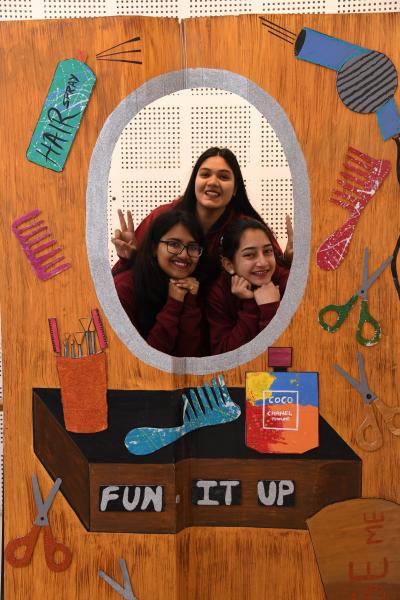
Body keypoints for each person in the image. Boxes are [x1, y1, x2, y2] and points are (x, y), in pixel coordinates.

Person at [111, 147, 293, 277]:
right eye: (205, 174)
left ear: (235, 188)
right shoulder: (164, 216)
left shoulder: (248, 228)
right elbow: (123, 280)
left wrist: (292, 263)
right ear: (194, 182)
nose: (213, 182)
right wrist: (130, 258)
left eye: (223, 177)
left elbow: (275, 274)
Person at [113, 211, 209, 356]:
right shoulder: (125, 288)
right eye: (174, 244)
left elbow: (190, 356)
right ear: (154, 248)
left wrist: (190, 302)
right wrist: (174, 304)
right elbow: (148, 359)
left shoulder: (193, 286)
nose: (184, 255)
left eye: (193, 247)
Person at [207, 219, 290, 354]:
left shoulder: (287, 281)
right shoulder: (219, 292)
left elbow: (286, 353)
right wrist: (250, 306)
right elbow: (225, 354)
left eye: (268, 251)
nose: (263, 262)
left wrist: (270, 309)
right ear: (229, 265)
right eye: (249, 254)